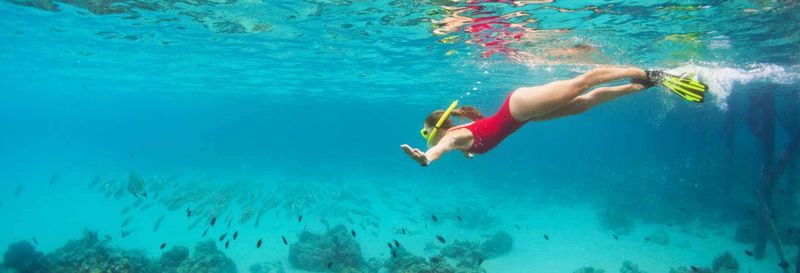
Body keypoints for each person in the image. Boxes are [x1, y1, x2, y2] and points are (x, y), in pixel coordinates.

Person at [400, 67, 707, 166]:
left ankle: (652, 74)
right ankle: (639, 86)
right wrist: (462, 151)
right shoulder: (459, 140)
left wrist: (426, 158)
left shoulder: (450, 139)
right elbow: (467, 147)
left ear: (438, 131)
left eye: (425, 134)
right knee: (584, 103)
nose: (426, 139)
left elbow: (440, 149)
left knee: (582, 83)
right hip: (523, 117)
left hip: (518, 107)